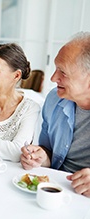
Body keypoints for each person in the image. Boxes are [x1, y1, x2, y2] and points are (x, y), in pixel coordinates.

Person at [20, 32, 90, 198]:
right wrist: (41, 156)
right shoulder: (54, 99)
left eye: (62, 72)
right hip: (53, 190)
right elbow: (49, 152)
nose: (52, 78)